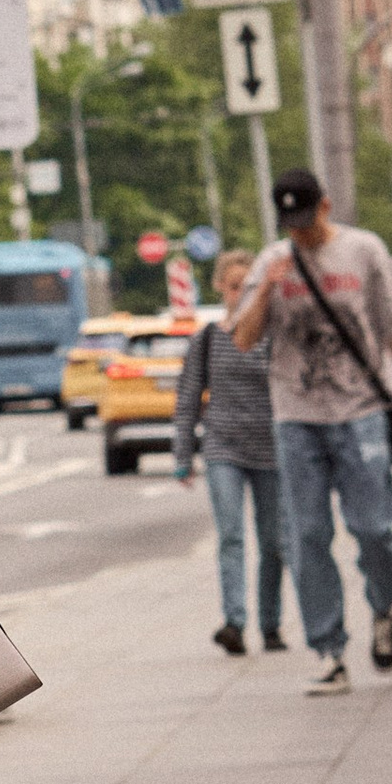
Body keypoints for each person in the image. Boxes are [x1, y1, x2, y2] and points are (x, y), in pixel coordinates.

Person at [227, 168, 392, 694]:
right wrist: (265, 294)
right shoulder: (270, 262)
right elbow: (242, 339)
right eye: (290, 224)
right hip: (297, 416)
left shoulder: (364, 251)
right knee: (307, 537)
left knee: (373, 528)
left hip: (362, 411)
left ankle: (383, 607)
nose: (299, 233)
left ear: (325, 207)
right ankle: (328, 650)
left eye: (307, 220)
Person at [171, 249, 288, 654]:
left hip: (272, 448)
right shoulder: (208, 337)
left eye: (248, 286)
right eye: (235, 285)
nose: (241, 293)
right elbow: (188, 396)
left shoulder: (273, 334)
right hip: (223, 446)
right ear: (221, 286)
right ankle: (235, 623)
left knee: (274, 541)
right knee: (231, 537)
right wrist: (183, 454)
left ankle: (271, 625)